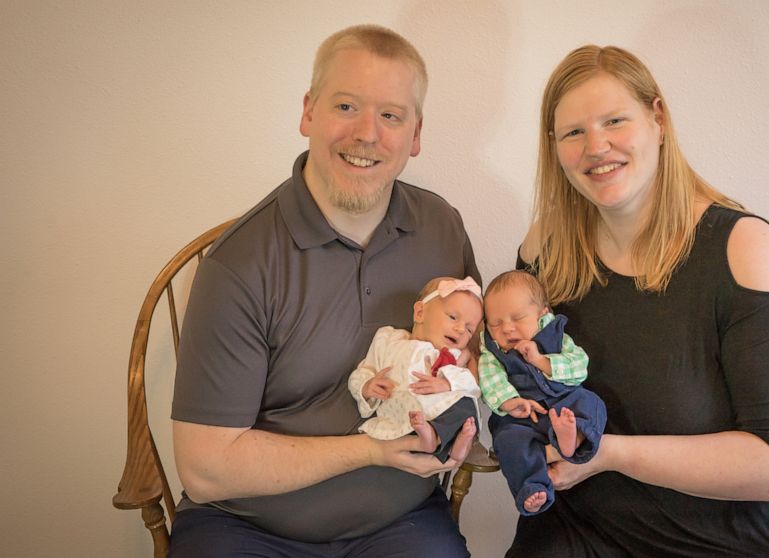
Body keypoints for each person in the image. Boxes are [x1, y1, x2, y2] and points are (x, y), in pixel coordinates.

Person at [507, 45, 769, 557]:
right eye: (574, 132)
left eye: (614, 120)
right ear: (554, 147)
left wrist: (608, 454)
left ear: (658, 118)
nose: (597, 146)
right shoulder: (546, 247)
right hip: (586, 525)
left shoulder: (741, 246)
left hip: (732, 535)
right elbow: (518, 374)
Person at [169, 25, 478, 557]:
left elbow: (474, 352)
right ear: (308, 112)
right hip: (245, 529)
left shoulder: (441, 228)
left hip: (402, 523)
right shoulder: (238, 264)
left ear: (416, 135)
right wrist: (372, 452)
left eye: (390, 115)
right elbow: (206, 469)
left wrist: (465, 408)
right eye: (346, 107)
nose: (367, 134)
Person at [478, 270, 605, 516]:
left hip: (564, 404)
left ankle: (574, 437)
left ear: (542, 315)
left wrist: (540, 360)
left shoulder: (556, 336)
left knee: (591, 402)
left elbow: (579, 367)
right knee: (508, 442)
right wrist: (510, 402)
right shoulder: (492, 353)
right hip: (521, 418)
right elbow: (489, 381)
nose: (507, 329)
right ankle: (532, 488)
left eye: (517, 318)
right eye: (496, 323)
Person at [348, 276, 483, 463]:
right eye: (453, 317)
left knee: (466, 405)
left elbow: (471, 382)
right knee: (431, 416)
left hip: (437, 410)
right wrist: (366, 386)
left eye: (469, 329)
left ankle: (457, 444)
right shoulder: (388, 340)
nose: (461, 329)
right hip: (402, 410)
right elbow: (363, 371)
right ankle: (427, 438)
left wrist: (447, 384)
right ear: (420, 312)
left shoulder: (453, 355)